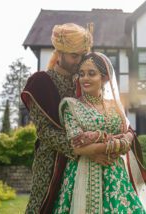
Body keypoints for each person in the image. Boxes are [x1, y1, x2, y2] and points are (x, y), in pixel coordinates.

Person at [53, 52, 146, 213]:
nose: (85, 78)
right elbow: (77, 146)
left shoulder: (115, 106)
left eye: (91, 73)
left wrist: (123, 140)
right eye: (82, 74)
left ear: (105, 78)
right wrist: (115, 143)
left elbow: (128, 134)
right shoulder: (71, 106)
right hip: (82, 173)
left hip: (115, 176)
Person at [21, 23, 104, 214]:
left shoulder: (84, 82)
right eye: (74, 56)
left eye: (82, 56)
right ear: (60, 53)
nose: (79, 61)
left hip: (84, 164)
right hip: (50, 163)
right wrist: (85, 150)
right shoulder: (40, 82)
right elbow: (45, 132)